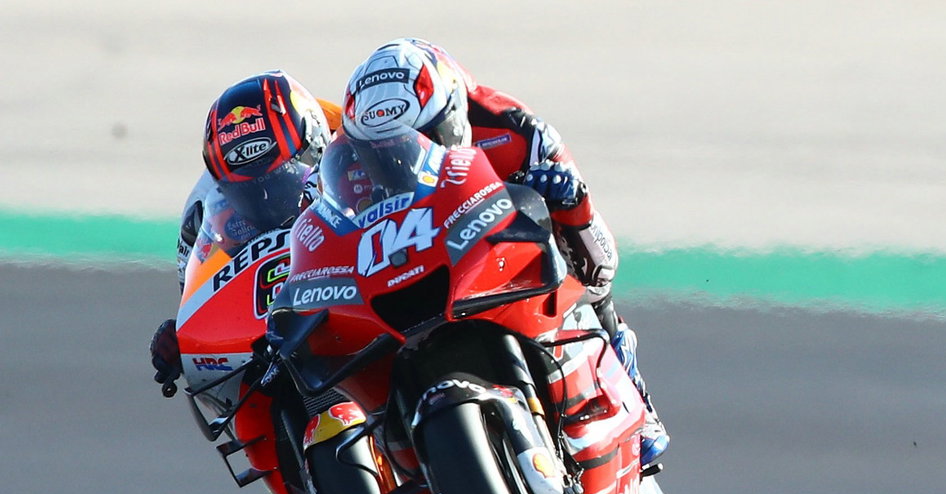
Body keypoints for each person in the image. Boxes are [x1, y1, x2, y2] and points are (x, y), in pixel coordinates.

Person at [340, 37, 668, 467]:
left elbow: (600, 265)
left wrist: (570, 203)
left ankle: (631, 394)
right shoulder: (346, 160)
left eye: (423, 138)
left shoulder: (513, 128)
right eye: (380, 153)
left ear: (453, 114)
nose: (403, 157)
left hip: (505, 257)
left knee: (590, 283)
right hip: (416, 271)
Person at [149, 71, 340, 395]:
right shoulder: (203, 205)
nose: (269, 198)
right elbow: (196, 288)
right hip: (276, 336)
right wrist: (183, 335)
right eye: (249, 190)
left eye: (284, 176)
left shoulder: (349, 139)